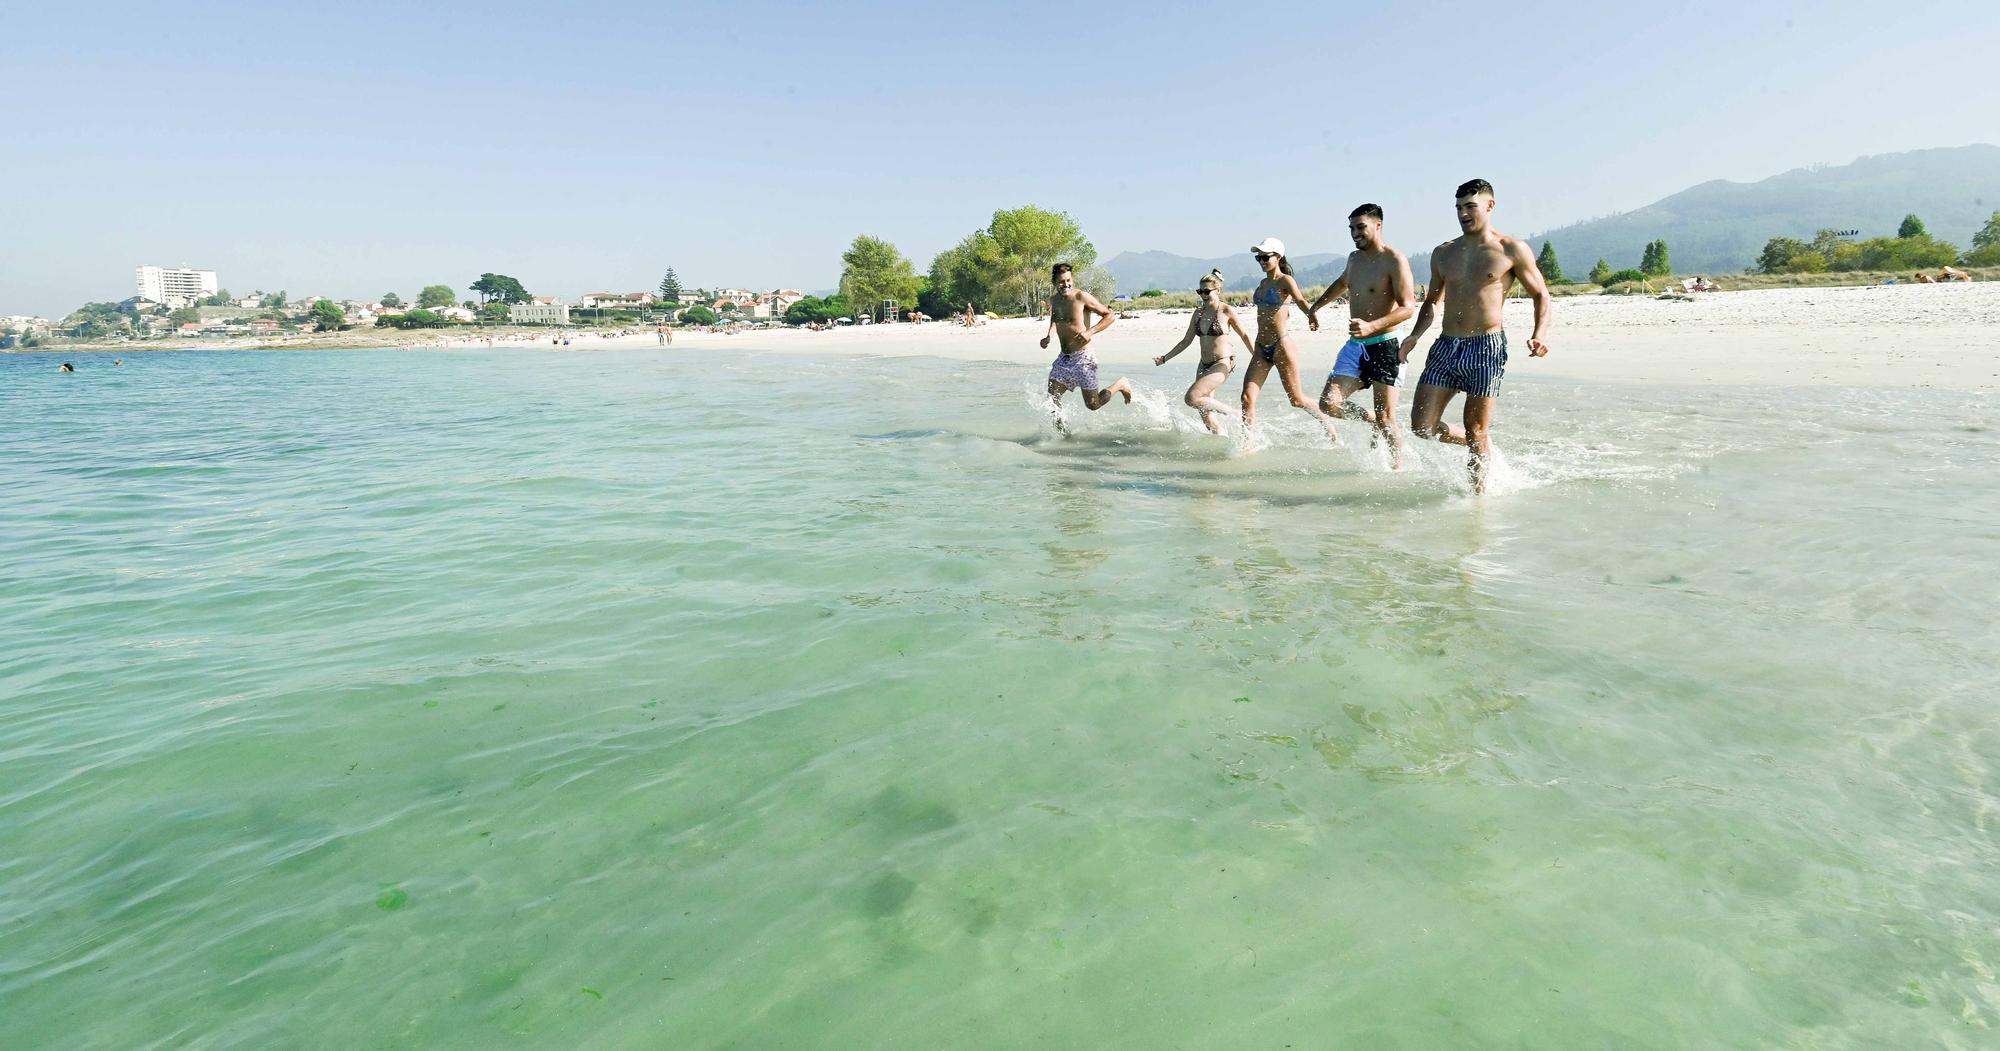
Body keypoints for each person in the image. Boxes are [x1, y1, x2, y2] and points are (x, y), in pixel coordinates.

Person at [1402, 179, 1553, 493]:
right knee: (1421, 426)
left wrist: (1538, 334)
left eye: (1470, 206)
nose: (1463, 213)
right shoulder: (1443, 253)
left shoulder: (1510, 249)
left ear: (1489, 205)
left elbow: (1541, 294)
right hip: (1445, 346)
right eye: (1458, 208)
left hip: (1486, 347)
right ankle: (1482, 446)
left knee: (1476, 429)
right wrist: (1414, 337)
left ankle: (1477, 497)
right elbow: (1432, 302)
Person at [1306, 204, 1418, 466]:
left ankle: (1396, 470)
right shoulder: (1354, 259)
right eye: (1352, 229)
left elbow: (1408, 307)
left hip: (1386, 346)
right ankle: (1372, 420)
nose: (1355, 233)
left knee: (1387, 418)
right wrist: (1316, 306)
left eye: (1361, 227)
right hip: (1357, 346)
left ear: (1378, 225)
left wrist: (1372, 326)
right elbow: (1342, 283)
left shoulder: (1395, 259)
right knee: (1329, 404)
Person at [1243, 238, 1339, 439]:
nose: (1261, 261)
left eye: (1265, 257)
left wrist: (1311, 314)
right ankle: (1247, 443)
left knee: (1296, 400)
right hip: (1261, 347)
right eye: (1258, 257)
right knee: (1247, 398)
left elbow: (1300, 299)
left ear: (1278, 257)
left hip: (1281, 346)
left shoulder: (1285, 280)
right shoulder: (1262, 283)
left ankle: (1326, 421)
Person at [1153, 269, 1251, 434]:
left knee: (1192, 398)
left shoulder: (1225, 310)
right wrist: (1165, 358)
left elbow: (1245, 335)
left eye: (1207, 291)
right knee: (1206, 415)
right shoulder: (1198, 313)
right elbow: (1186, 341)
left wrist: (1258, 356)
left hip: (1221, 363)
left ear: (1218, 290)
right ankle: (1221, 438)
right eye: (1200, 292)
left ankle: (1235, 414)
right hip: (1203, 365)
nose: (1203, 295)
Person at [1042, 262, 1131, 432]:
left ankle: (1120, 384)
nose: (1066, 284)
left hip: (1084, 358)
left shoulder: (1081, 297)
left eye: (1068, 280)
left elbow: (1109, 316)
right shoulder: (1054, 300)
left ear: (1072, 279)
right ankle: (1064, 437)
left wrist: (1090, 332)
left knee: (1093, 404)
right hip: (1064, 358)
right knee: (1052, 397)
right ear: (1054, 282)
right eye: (1061, 281)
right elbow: (1056, 319)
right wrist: (1049, 336)